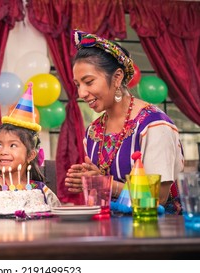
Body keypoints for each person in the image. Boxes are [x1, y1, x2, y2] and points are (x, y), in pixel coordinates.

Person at [65, 30, 184, 214]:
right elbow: (101, 200)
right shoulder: (93, 131)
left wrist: (104, 183)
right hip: (108, 230)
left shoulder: (154, 125)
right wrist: (87, 181)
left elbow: (158, 198)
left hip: (156, 231)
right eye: (78, 85)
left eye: (89, 82)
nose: (81, 93)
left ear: (117, 77)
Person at [0, 84, 61, 212]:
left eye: (13, 145)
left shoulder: (41, 191)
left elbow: (56, 219)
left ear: (31, 155)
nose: (3, 151)